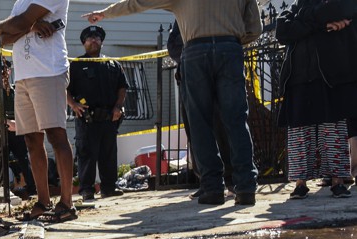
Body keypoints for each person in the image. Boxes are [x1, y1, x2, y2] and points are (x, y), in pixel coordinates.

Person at [84, 0, 261, 206]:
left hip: (196, 50)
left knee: (200, 124)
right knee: (237, 119)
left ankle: (213, 187)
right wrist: (230, 41)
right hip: (230, 48)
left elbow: (139, 3)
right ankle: (246, 187)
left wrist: (106, 13)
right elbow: (255, 29)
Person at [0, 0, 78, 223]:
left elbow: (16, 24)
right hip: (23, 77)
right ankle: (43, 201)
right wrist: (29, 26)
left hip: (49, 71)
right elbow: (4, 38)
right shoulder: (20, 2)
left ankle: (67, 203)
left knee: (56, 135)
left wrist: (15, 25)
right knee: (32, 140)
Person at [276, 0, 357, 199]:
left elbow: (344, 8)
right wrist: (322, 25)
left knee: (333, 129)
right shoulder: (295, 8)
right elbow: (282, 30)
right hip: (298, 78)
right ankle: (300, 184)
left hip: (328, 76)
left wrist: (305, 21)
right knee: (299, 134)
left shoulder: (328, 6)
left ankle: (338, 181)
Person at [167, 21, 234, 199]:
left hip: (212, 76)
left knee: (221, 131)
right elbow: (172, 44)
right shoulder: (181, 15)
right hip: (188, 76)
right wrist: (188, 56)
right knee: (195, 132)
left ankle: (230, 179)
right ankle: (206, 181)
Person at [67, 25, 127, 201]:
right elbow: (65, 88)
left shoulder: (113, 64)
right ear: (83, 43)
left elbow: (122, 87)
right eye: (89, 38)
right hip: (87, 119)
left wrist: (118, 106)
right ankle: (87, 190)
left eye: (97, 38)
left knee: (108, 153)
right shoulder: (76, 65)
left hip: (109, 117)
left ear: (101, 41)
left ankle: (109, 187)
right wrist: (73, 104)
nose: (93, 40)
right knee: (86, 154)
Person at [2, 60, 37, 198]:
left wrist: (17, 123)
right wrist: (5, 121)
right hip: (0, 132)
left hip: (16, 129)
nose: (3, 72)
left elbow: (24, 109)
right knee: (1, 162)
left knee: (23, 159)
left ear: (10, 71)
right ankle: (3, 192)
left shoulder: (14, 90)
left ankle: (33, 189)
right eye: (0, 69)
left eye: (6, 69)